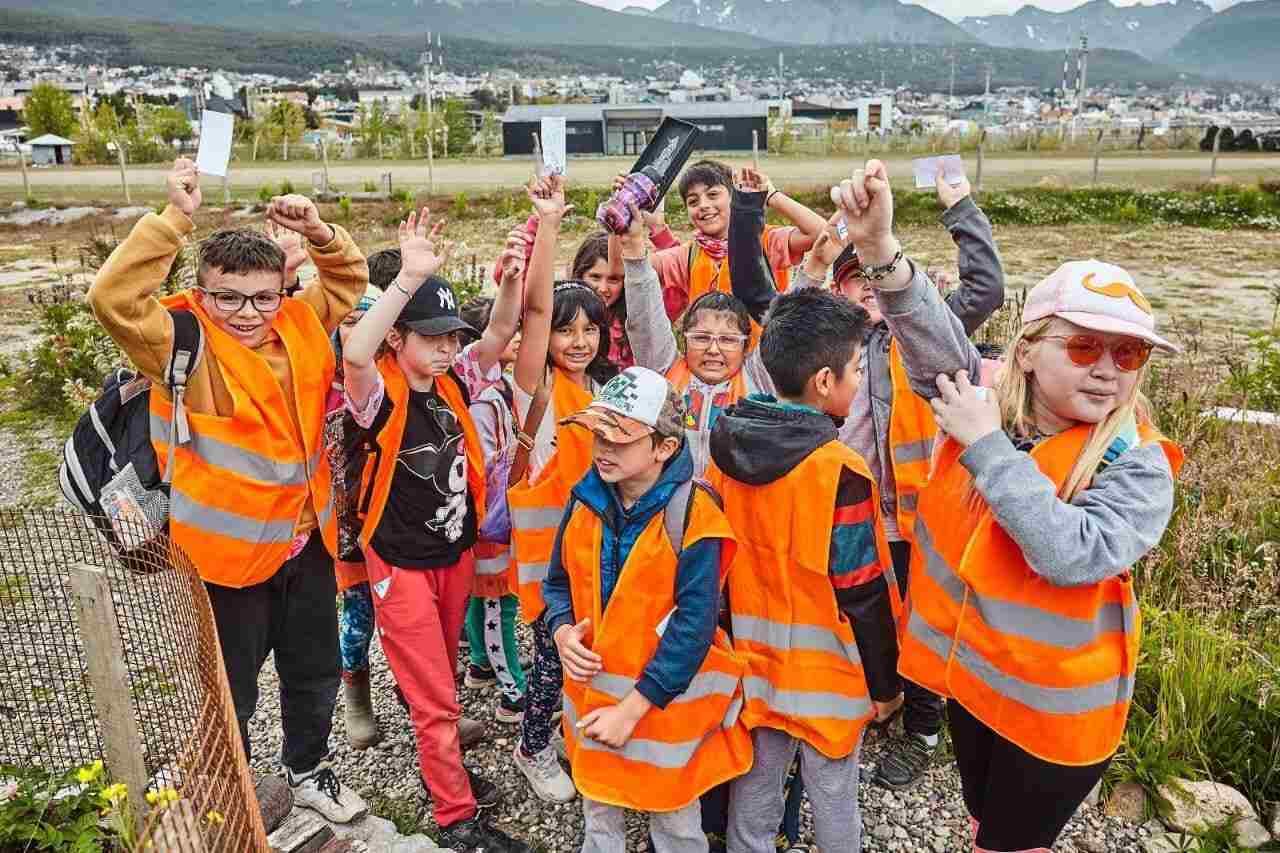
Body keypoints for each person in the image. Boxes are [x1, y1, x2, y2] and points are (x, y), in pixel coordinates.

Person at [835, 159, 1182, 853]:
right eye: (1084, 345)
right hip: (973, 684)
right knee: (978, 820)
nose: (1109, 367)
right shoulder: (988, 398)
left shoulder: (1138, 462)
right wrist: (878, 251)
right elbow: (932, 339)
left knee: (1008, 844)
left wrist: (988, 447)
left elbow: (1072, 552)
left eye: (1130, 351)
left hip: (1055, 722)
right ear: (1025, 353)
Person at [87, 158, 369, 822]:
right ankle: (230, 791)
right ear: (201, 291)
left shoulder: (300, 323)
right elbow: (110, 298)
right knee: (228, 687)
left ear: (282, 289)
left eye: (262, 296)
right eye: (228, 297)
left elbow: (349, 278)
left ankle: (306, 768)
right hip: (224, 560)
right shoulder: (179, 342)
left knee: (313, 669)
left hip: (307, 544)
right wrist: (176, 217)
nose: (247, 313)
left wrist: (321, 230)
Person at [342, 209, 527, 853]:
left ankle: (442, 768)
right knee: (432, 693)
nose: (448, 348)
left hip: (452, 554)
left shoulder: (453, 383)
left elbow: (500, 331)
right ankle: (455, 817)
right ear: (399, 338)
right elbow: (356, 350)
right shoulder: (380, 394)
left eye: (452, 336)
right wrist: (407, 279)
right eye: (433, 337)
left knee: (440, 677)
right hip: (399, 562)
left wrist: (510, 276)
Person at [827, 171, 1007, 791]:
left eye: (876, 281)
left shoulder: (927, 333)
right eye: (856, 283)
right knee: (863, 613)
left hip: (922, 514)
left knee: (924, 617)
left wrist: (957, 202)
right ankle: (880, 697)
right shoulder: (830, 349)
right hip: (853, 512)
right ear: (840, 292)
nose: (869, 295)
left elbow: (987, 286)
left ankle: (924, 729)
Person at [706, 288, 903, 853]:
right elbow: (860, 587)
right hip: (829, 677)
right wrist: (886, 685)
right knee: (834, 793)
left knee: (757, 784)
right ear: (824, 381)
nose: (859, 383)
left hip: (753, 662)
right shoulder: (837, 469)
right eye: (855, 371)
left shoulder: (726, 446)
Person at [543, 366, 751, 853]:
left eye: (619, 439)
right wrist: (561, 631)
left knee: (676, 824)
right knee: (599, 815)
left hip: (661, 714)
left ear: (664, 447)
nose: (602, 449)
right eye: (598, 434)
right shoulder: (583, 501)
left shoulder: (695, 517)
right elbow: (557, 584)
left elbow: (693, 626)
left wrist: (632, 710)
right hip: (595, 707)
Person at [506, 174, 614, 803]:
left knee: (590, 651)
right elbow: (537, 311)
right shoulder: (537, 389)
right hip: (549, 561)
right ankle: (532, 745)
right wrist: (548, 225)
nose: (578, 343)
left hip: (596, 553)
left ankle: (575, 734)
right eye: (568, 332)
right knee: (553, 655)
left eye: (591, 331)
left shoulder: (605, 391)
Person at [623, 174, 847, 475]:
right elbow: (644, 318)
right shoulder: (665, 371)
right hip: (679, 510)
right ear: (683, 340)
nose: (713, 349)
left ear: (746, 346)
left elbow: (791, 328)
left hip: (736, 510)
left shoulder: (760, 378)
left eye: (728, 340)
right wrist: (634, 247)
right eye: (701, 338)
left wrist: (816, 266)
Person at [459, 256, 528, 726]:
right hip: (490, 518)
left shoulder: (497, 389)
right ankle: (513, 693)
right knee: (497, 602)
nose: (520, 340)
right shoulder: (486, 395)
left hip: (477, 514)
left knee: (480, 597)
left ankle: (481, 666)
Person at [640, 160, 827, 323]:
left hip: (763, 358)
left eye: (713, 195)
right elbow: (633, 268)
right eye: (693, 201)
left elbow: (821, 234)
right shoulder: (688, 254)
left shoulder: (766, 239)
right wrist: (628, 208)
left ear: (733, 197)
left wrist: (771, 195)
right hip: (711, 358)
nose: (703, 205)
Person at [327, 282, 386, 751]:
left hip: (395, 522)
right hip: (346, 526)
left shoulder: (396, 379)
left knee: (407, 619)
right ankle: (357, 697)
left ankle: (416, 696)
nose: (361, 330)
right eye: (350, 321)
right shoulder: (319, 384)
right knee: (359, 614)